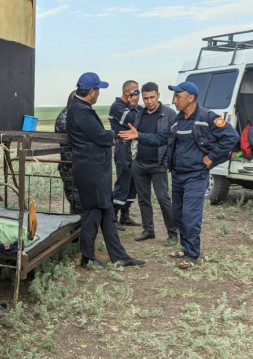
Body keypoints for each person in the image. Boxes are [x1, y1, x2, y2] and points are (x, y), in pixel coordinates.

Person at [119, 81, 239, 269]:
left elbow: (231, 137)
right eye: (174, 97)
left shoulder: (207, 117)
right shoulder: (178, 120)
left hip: (196, 175)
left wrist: (212, 157)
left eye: (178, 96)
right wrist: (139, 136)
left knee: (190, 215)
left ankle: (193, 255)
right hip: (178, 174)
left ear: (191, 98)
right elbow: (160, 138)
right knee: (179, 213)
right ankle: (185, 247)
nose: (174, 101)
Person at [66, 72, 145, 269]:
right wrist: (115, 134)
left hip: (95, 170)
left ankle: (119, 256)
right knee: (93, 214)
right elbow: (100, 136)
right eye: (98, 90)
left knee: (107, 213)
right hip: (90, 171)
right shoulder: (81, 110)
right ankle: (88, 259)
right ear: (92, 91)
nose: (99, 94)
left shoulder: (80, 107)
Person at [126, 82, 179, 247]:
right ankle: (148, 230)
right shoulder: (139, 114)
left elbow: (172, 140)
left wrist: (168, 161)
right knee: (143, 199)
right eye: (146, 98)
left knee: (163, 199)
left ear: (158, 95)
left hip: (158, 164)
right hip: (139, 163)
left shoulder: (169, 114)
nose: (149, 101)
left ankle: (172, 233)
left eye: (152, 97)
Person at [108, 80, 142, 228]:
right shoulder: (117, 107)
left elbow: (143, 121)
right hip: (123, 147)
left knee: (133, 182)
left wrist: (134, 107)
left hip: (134, 147)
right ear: (127, 92)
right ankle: (112, 217)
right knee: (123, 181)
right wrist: (133, 106)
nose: (138, 95)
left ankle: (125, 215)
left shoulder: (135, 107)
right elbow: (133, 121)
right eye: (136, 91)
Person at [54, 90, 81, 214]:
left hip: (75, 163)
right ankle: (77, 224)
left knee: (78, 199)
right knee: (77, 200)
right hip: (70, 164)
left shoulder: (72, 114)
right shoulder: (67, 117)